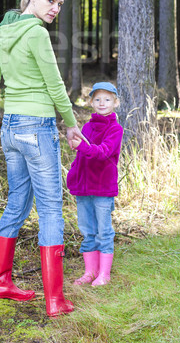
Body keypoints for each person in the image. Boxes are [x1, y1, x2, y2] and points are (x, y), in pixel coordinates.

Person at [0, 0, 87, 317]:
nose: (56, 8)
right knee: (51, 210)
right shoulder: (37, 34)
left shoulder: (2, 31)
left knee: (17, 202)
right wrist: (72, 125)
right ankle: (55, 300)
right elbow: (56, 85)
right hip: (37, 128)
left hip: (11, 129)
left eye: (60, 4)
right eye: (51, 1)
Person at [67, 82, 123, 286]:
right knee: (87, 230)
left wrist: (81, 145)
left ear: (115, 103)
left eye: (107, 99)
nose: (102, 103)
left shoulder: (115, 129)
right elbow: (81, 157)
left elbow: (102, 152)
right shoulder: (87, 127)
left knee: (103, 231)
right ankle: (90, 272)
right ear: (91, 102)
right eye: (97, 99)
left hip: (102, 188)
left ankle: (104, 275)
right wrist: (73, 175)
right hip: (84, 188)